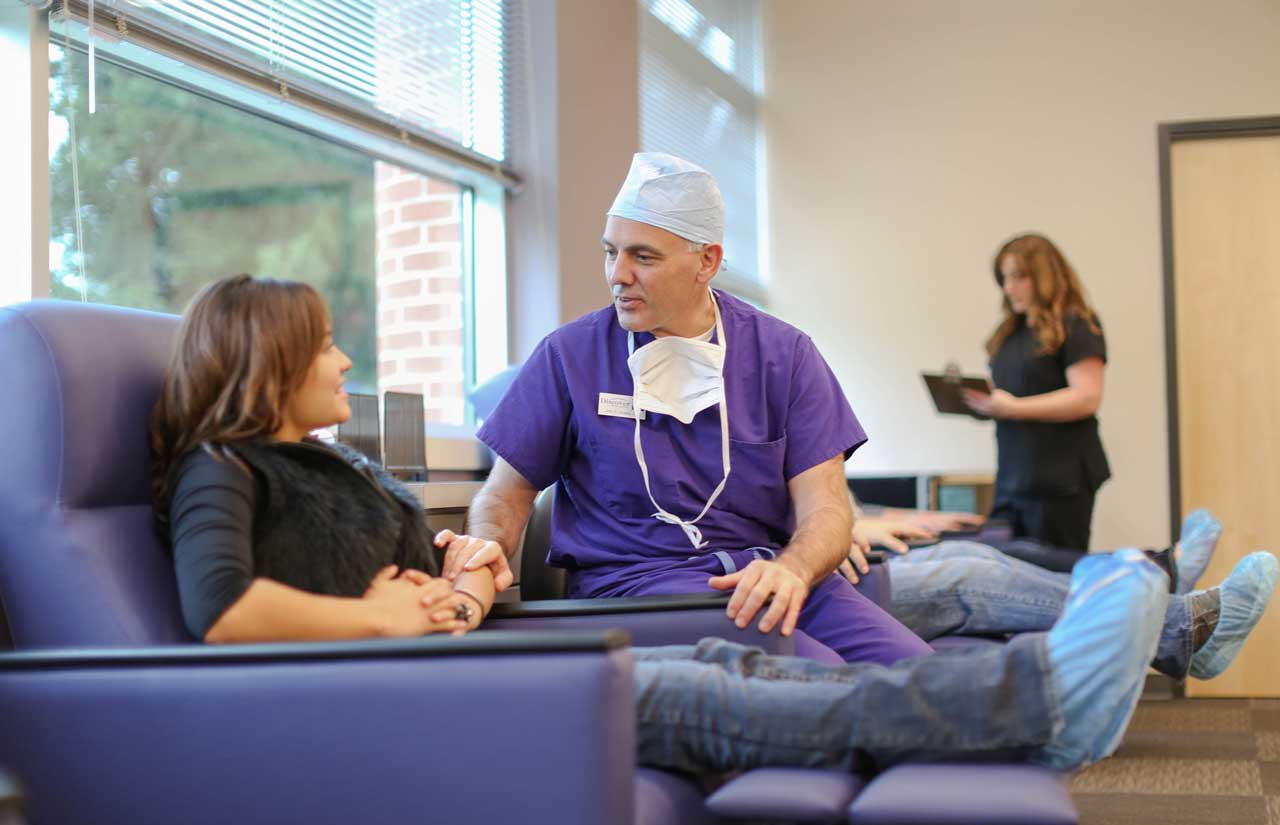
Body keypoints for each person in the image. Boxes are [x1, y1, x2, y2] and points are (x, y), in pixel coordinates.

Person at [153, 272, 1177, 774]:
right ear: (271, 363)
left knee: (753, 674)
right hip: (429, 704)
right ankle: (1038, 699)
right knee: (739, 691)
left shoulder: (343, 468)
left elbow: (463, 573)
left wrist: (459, 578)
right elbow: (224, 614)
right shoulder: (222, 470)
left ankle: (1040, 694)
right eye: (324, 346)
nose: (343, 361)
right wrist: (388, 619)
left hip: (467, 663)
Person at [464, 152, 929, 667]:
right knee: (823, 676)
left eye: (643, 257)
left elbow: (827, 510)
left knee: (921, 674)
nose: (618, 274)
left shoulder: (783, 355)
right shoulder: (569, 356)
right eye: (610, 251)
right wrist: (484, 548)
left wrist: (795, 568)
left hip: (767, 576)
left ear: (706, 261)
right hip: (640, 592)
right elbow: (506, 496)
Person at [844, 508, 1278, 682]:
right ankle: (1180, 625)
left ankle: (1176, 620)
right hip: (821, 591)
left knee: (969, 551)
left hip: (842, 570)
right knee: (965, 576)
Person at [963, 234, 1109, 550]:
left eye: (1019, 277)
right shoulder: (1011, 334)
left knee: (1053, 577)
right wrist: (987, 405)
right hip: (1013, 477)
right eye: (1004, 278)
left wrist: (1014, 408)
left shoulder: (1076, 323)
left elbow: (1086, 397)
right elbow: (1012, 397)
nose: (1009, 288)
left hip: (1060, 480)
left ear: (1044, 277)